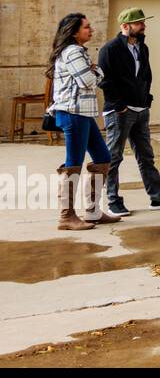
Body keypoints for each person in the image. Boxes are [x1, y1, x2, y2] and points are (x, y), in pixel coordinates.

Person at [97, 7, 160, 217]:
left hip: (140, 110)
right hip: (119, 112)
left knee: (146, 156)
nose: (143, 26)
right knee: (114, 157)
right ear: (125, 26)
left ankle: (158, 197)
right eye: (139, 23)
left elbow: (146, 75)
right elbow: (104, 80)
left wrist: (147, 100)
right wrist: (119, 106)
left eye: (143, 23)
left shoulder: (142, 48)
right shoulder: (109, 49)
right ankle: (113, 201)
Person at [46, 13, 118, 230]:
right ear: (74, 31)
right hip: (73, 113)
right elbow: (87, 81)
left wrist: (93, 71)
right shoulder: (73, 52)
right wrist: (98, 71)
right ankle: (66, 217)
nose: (91, 30)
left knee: (103, 157)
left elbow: (87, 79)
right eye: (87, 27)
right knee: (73, 163)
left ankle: (93, 212)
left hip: (83, 114)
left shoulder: (78, 52)